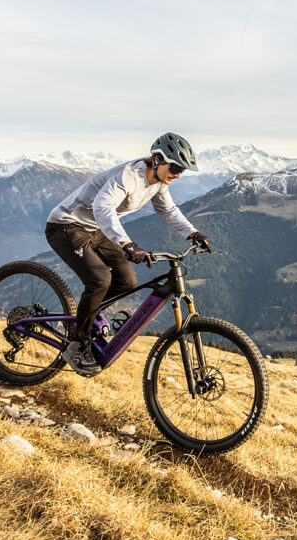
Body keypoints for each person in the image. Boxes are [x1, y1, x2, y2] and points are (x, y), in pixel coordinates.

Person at [44, 132, 211, 376]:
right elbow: (103, 206)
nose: (178, 174)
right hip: (67, 225)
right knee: (100, 279)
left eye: (182, 170)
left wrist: (193, 234)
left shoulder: (158, 183)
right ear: (157, 159)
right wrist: (127, 244)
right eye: (175, 167)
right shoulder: (129, 177)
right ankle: (77, 345)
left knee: (126, 281)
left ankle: (87, 319)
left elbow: (169, 210)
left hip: (96, 228)